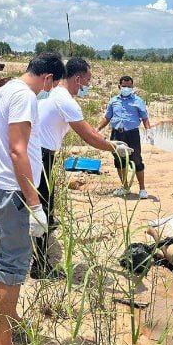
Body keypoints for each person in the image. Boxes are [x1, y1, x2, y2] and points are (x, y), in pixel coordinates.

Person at [0, 52, 66, 345]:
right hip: (13, 192)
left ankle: (11, 318)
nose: (48, 90)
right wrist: (35, 204)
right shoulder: (24, 97)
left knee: (6, 258)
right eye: (51, 85)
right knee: (13, 266)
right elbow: (18, 150)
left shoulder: (3, 91)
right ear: (48, 79)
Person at [32, 57, 133, 279]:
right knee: (42, 211)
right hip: (39, 156)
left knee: (42, 209)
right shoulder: (65, 99)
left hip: (38, 153)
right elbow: (87, 136)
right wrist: (113, 149)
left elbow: (90, 130)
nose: (86, 86)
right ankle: (39, 266)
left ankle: (38, 256)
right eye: (86, 81)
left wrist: (110, 143)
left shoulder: (56, 93)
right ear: (77, 78)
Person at [97, 75, 153, 199]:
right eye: (124, 86)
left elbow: (144, 117)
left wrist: (148, 130)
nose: (126, 88)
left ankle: (142, 189)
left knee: (137, 160)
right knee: (119, 161)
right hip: (117, 134)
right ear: (119, 86)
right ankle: (125, 186)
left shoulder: (138, 101)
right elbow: (107, 117)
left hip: (132, 134)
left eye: (129, 86)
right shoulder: (113, 101)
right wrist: (98, 129)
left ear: (132, 87)